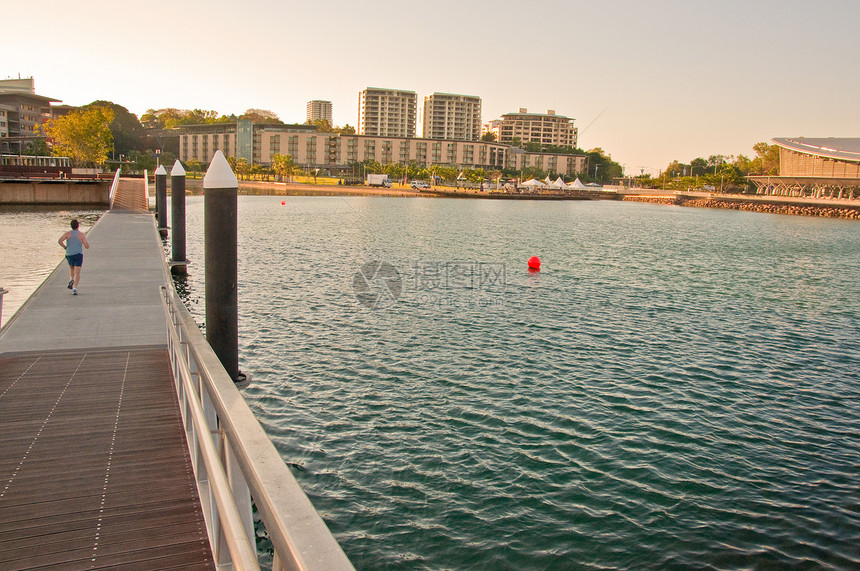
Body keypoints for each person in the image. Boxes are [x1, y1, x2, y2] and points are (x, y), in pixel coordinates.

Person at [58, 219, 90, 295]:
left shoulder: (67, 234)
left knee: (71, 268)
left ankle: (71, 279)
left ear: (71, 226)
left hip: (69, 254)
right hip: (78, 254)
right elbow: (86, 246)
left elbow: (60, 241)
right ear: (78, 226)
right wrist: (84, 244)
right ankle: (74, 288)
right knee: (77, 273)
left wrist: (65, 247)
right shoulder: (81, 235)